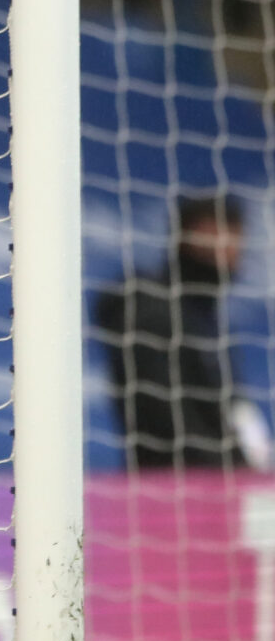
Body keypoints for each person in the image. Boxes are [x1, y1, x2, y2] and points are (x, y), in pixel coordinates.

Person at [96, 193, 261, 469]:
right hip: (170, 481)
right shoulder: (144, 299)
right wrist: (228, 469)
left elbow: (235, 416)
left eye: (235, 240)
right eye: (217, 234)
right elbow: (159, 410)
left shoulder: (214, 327)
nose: (231, 251)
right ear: (188, 234)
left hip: (225, 481)